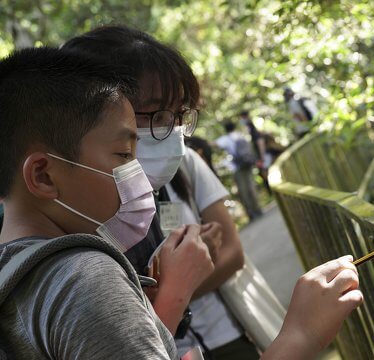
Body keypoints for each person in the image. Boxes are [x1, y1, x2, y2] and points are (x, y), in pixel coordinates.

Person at [0, 47, 363, 360]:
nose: (137, 174)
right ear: (44, 176)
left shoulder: (15, 274)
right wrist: (301, 335)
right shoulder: (85, 278)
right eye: (124, 154)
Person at [63, 26, 252, 358]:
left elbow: (233, 253)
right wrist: (180, 283)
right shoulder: (67, 226)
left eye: (178, 115)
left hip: (217, 340)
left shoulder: (176, 172)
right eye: (156, 115)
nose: (171, 132)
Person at [216, 121, 263, 221]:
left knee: (243, 190)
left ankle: (251, 213)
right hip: (248, 164)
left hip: (237, 167)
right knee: (251, 187)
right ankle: (258, 209)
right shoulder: (240, 135)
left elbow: (214, 144)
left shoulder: (225, 139)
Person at [239, 111, 271, 195]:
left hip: (261, 157)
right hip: (258, 157)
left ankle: (271, 191)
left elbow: (260, 142)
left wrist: (262, 157)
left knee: (266, 174)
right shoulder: (250, 130)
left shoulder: (252, 129)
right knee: (264, 175)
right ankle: (270, 192)